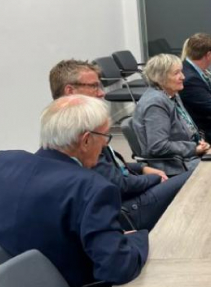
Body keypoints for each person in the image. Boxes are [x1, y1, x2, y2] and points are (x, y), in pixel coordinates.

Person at [0, 95, 148, 287]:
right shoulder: (93, 189)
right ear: (86, 141)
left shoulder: (2, 162)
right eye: (105, 136)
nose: (106, 144)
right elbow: (118, 269)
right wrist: (138, 238)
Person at [49, 59, 191, 231]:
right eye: (94, 86)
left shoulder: (63, 123)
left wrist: (142, 168)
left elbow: (110, 166)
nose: (102, 93)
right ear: (70, 90)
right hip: (127, 208)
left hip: (129, 189)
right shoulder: (77, 131)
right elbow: (119, 185)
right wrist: (153, 178)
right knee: (195, 176)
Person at [132, 54, 210, 176]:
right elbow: (158, 146)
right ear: (160, 78)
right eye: (176, 73)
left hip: (187, 156)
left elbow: (186, 125)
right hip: (174, 166)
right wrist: (193, 149)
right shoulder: (155, 104)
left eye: (181, 72)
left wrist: (198, 141)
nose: (183, 77)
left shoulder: (171, 93)